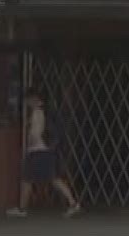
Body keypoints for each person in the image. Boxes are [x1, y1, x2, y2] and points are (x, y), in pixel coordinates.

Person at [9, 88, 80, 218]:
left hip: (38, 150)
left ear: (33, 98)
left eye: (28, 100)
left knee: (28, 178)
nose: (26, 103)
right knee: (49, 178)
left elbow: (35, 133)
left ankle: (22, 209)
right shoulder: (47, 111)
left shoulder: (38, 112)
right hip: (47, 149)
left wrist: (29, 143)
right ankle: (73, 203)